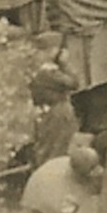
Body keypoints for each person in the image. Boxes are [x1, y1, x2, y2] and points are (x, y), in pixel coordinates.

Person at [27, 35, 80, 168]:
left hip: (50, 113)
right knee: (58, 149)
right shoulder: (49, 72)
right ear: (53, 51)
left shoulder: (42, 70)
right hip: (58, 115)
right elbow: (73, 83)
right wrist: (65, 63)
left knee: (50, 148)